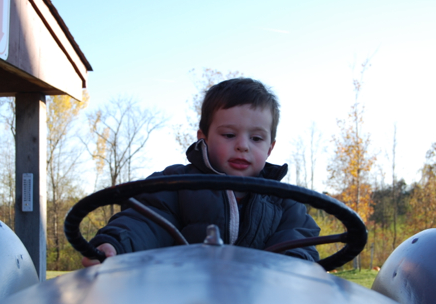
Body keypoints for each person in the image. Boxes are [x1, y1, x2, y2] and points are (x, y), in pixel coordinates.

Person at [82, 78, 320, 267]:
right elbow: (144, 221)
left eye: (256, 138)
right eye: (229, 135)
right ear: (203, 138)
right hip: (183, 302)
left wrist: (294, 266)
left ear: (270, 148)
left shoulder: (284, 202)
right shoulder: (174, 185)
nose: (243, 145)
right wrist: (116, 244)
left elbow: (297, 240)